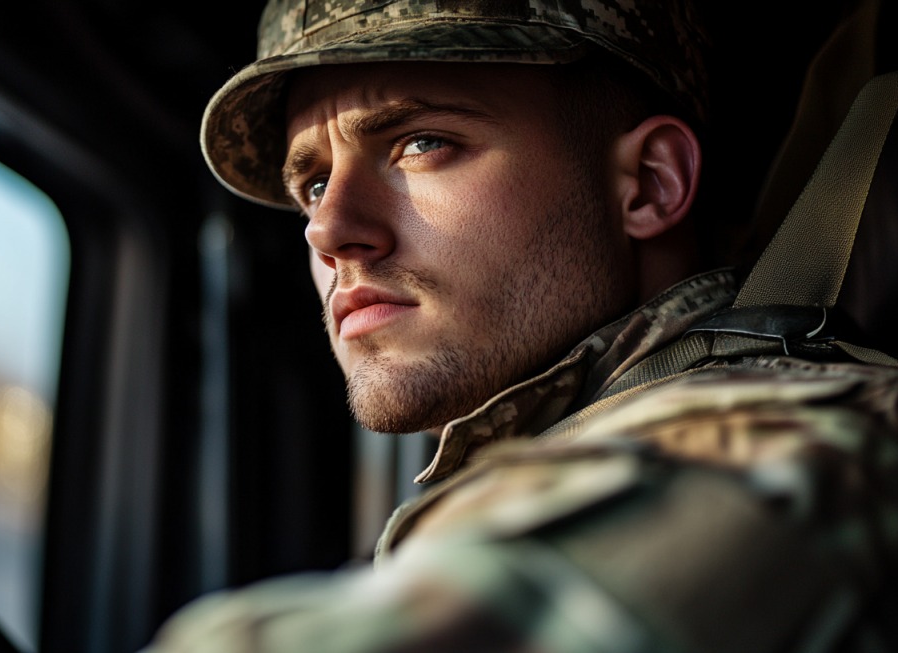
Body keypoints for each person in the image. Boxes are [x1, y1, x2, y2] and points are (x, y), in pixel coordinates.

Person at [145, 0, 898, 650]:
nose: (328, 229)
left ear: (648, 184)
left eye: (420, 143)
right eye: (312, 183)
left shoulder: (794, 441)